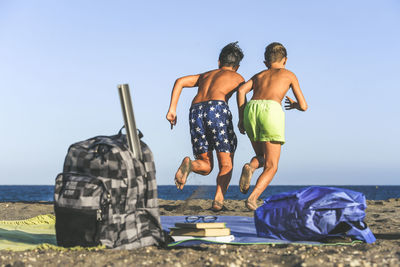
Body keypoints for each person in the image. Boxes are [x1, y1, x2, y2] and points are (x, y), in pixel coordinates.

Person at [166, 42, 244, 211]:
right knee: (226, 163)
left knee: (206, 165)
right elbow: (242, 96)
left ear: (219, 62)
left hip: (196, 110)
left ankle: (190, 165)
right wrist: (242, 120)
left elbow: (180, 81)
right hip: (217, 109)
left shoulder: (205, 75)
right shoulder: (238, 78)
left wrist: (172, 109)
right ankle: (218, 201)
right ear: (236, 66)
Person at [237, 42, 308, 211]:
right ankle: (252, 199)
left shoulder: (259, 75)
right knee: (272, 166)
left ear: (265, 62)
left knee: (261, 156)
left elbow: (241, 91)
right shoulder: (289, 75)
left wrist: (241, 119)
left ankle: (251, 166)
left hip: (251, 109)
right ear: (285, 60)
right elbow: (304, 106)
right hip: (271, 110)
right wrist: (295, 105)